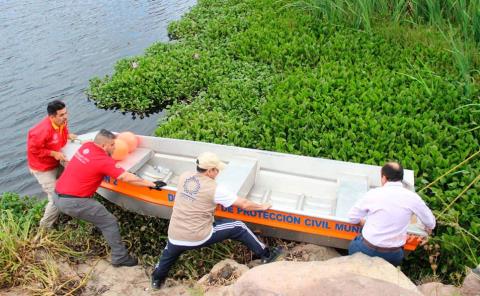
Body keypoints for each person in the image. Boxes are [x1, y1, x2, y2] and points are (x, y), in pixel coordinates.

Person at [151, 152, 283, 289]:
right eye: (216, 170)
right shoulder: (215, 189)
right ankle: (267, 254)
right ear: (209, 171)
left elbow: (195, 193)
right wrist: (262, 206)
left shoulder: (184, 176)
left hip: (175, 234)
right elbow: (243, 204)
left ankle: (157, 279)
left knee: (168, 254)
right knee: (238, 227)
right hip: (199, 236)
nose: (218, 172)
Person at [53, 129, 165, 267]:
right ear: (104, 145)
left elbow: (93, 161)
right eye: (112, 145)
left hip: (57, 195)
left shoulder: (86, 147)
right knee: (108, 222)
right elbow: (125, 177)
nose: (115, 147)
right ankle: (120, 257)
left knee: (98, 217)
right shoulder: (103, 161)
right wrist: (151, 184)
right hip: (74, 202)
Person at [347, 162, 436, 266]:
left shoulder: (374, 193)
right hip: (392, 256)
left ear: (384, 177)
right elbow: (431, 223)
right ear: (401, 178)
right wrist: (428, 226)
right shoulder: (413, 198)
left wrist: (363, 222)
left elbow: (352, 218)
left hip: (366, 249)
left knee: (356, 243)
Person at [27, 100, 77, 228]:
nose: (65, 117)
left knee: (73, 178)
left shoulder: (62, 121)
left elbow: (62, 132)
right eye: (61, 115)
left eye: (66, 113)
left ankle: (69, 209)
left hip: (56, 162)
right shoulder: (39, 131)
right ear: (52, 117)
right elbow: (34, 150)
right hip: (42, 168)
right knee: (56, 198)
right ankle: (44, 227)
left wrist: (67, 136)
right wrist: (54, 154)